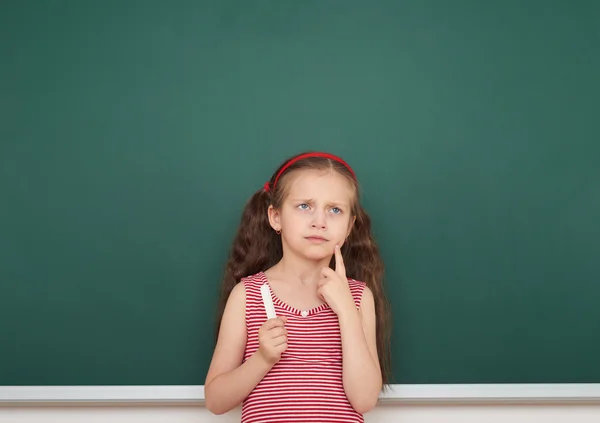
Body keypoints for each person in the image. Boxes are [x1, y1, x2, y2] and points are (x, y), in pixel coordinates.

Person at [205, 151, 391, 422]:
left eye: (334, 210)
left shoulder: (358, 297)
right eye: (304, 206)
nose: (319, 221)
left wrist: (347, 312)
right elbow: (216, 400)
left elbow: (363, 399)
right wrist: (262, 359)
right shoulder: (248, 295)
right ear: (275, 217)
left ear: (350, 226)